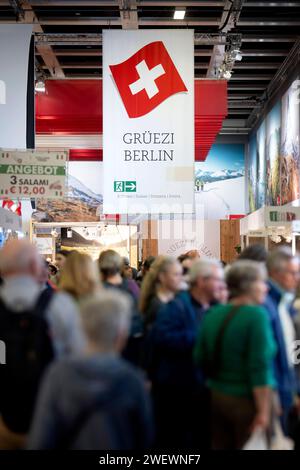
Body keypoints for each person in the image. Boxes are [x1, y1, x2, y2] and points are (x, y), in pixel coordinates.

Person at [27, 291, 154, 450]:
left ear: (83, 329)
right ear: (121, 336)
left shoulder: (58, 375)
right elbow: (144, 439)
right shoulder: (133, 381)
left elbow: (41, 440)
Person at [0, 240, 84, 448]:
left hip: (4, 420)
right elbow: (79, 360)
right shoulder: (60, 305)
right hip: (51, 418)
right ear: (34, 266)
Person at [194, 260, 277, 450]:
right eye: (261, 282)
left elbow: (199, 356)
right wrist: (264, 411)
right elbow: (260, 367)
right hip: (248, 401)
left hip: (216, 397)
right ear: (248, 285)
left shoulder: (214, 313)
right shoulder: (256, 316)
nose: (265, 288)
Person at [151, 259, 224, 449]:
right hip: (178, 391)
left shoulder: (217, 308)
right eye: (217, 279)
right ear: (201, 281)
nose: (221, 285)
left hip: (207, 391)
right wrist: (201, 338)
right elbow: (162, 338)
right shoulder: (176, 307)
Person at [264, 247, 300, 433]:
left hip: (287, 389)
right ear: (274, 273)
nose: (297, 278)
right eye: (292, 273)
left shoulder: (285, 303)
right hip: (274, 393)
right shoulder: (266, 306)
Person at [139, 255, 183, 332]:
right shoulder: (157, 306)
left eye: (180, 274)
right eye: (176, 274)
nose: (180, 278)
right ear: (162, 277)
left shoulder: (175, 300)